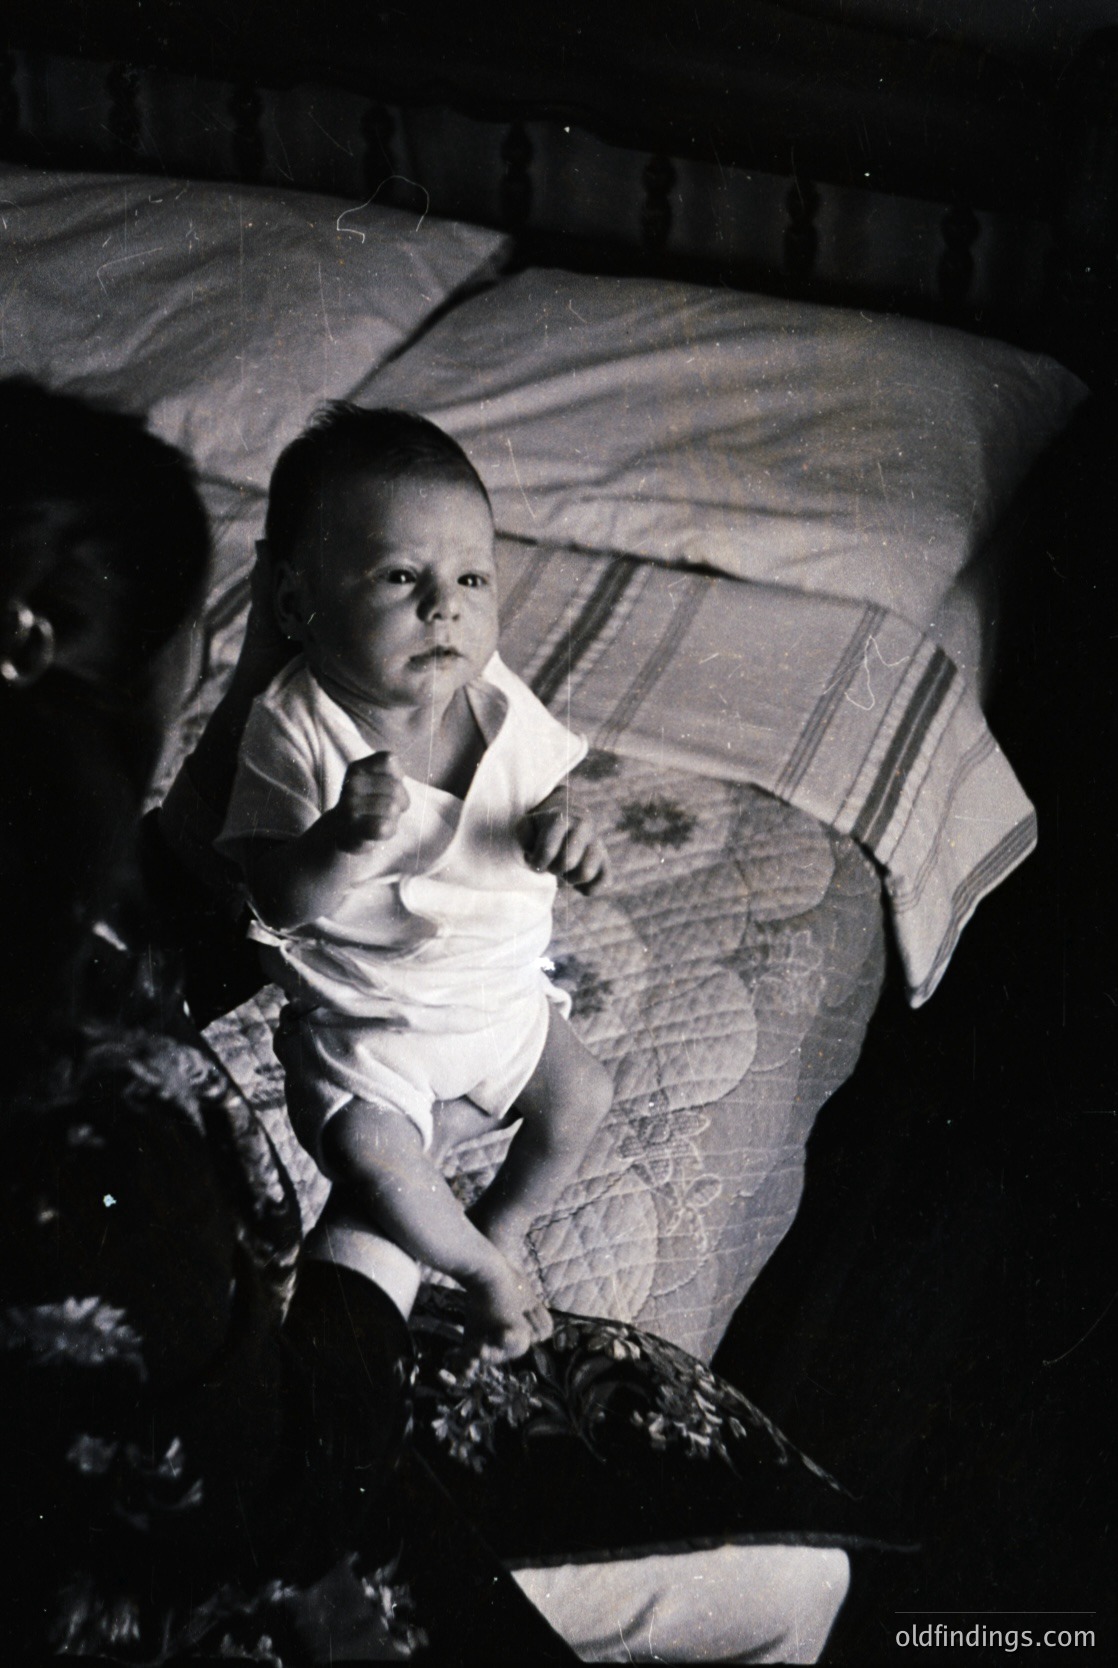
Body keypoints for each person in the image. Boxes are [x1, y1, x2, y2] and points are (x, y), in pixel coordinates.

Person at [216, 405, 614, 1361]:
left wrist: (565, 828)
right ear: (295, 605)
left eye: (472, 578)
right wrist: (340, 846)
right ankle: (480, 1268)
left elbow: (545, 784)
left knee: (585, 1097)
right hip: (375, 1033)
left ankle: (506, 1221)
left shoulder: (499, 696)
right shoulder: (296, 728)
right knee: (370, 1153)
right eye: (401, 577)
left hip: (501, 1001)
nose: (447, 608)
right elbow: (270, 903)